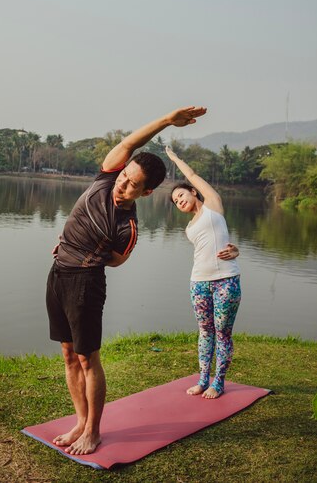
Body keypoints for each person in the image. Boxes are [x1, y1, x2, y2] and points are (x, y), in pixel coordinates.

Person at [46, 105, 207, 455]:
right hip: (58, 273)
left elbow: (117, 261)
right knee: (68, 354)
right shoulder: (106, 176)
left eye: (132, 184)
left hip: (84, 285)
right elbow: (130, 143)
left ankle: (94, 431)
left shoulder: (128, 226)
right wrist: (166, 120)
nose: (123, 184)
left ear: (145, 193)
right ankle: (79, 422)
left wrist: (86, 252)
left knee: (88, 358)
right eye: (124, 177)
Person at [165, 145, 241, 399]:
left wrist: (175, 158)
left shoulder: (213, 207)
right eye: (176, 202)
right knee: (205, 332)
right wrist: (235, 248)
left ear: (193, 192)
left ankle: (218, 382)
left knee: (222, 332)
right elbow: (210, 248)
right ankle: (202, 379)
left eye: (181, 195)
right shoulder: (189, 228)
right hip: (198, 282)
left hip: (226, 281)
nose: (180, 201)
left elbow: (194, 175)